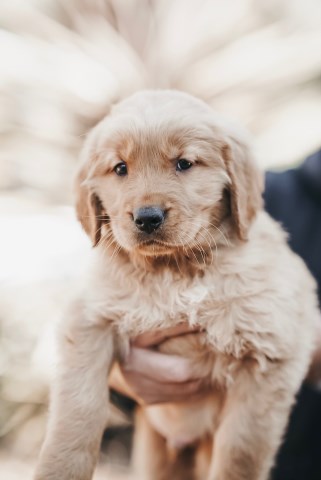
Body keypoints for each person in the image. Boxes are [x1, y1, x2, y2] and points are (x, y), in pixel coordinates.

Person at [109, 149, 321, 479]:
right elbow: (97, 313)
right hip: (171, 447)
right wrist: (121, 371)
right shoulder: (259, 193)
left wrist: (301, 345)